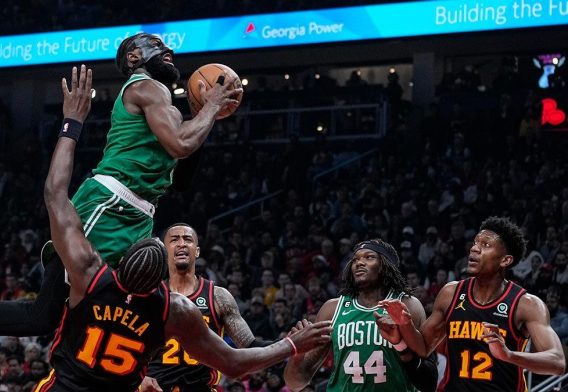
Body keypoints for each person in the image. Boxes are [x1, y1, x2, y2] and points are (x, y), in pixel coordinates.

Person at [0, 32, 241, 370]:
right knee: (45, 313)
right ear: (135, 57)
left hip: (138, 217)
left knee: (93, 313)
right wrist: (210, 107)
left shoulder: (170, 110)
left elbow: (181, 179)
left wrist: (204, 117)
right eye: (157, 44)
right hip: (108, 204)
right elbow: (181, 145)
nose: (168, 49)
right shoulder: (145, 86)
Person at [36, 65, 332, 390]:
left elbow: (54, 193)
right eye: (171, 239)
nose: (178, 244)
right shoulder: (172, 308)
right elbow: (235, 363)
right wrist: (289, 345)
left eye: (185, 239)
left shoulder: (91, 276)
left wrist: (72, 122)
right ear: (159, 274)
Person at [379, 217, 566, 391]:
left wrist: (508, 355)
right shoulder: (451, 293)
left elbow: (557, 362)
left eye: (486, 245)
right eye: (476, 242)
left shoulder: (526, 304)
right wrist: (405, 324)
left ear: (505, 260)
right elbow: (423, 347)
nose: (474, 248)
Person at [283, 239, 438, 392]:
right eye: (355, 259)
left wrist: (402, 344)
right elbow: (296, 383)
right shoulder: (332, 309)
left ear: (386, 266)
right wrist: (297, 356)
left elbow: (429, 380)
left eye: (369, 257)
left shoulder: (408, 305)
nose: (359, 262)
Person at [141, 223, 277, 392]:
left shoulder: (218, 296)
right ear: (164, 250)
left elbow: (250, 346)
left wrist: (287, 343)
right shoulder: (150, 295)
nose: (182, 243)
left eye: (188, 239)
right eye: (174, 239)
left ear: (197, 251)